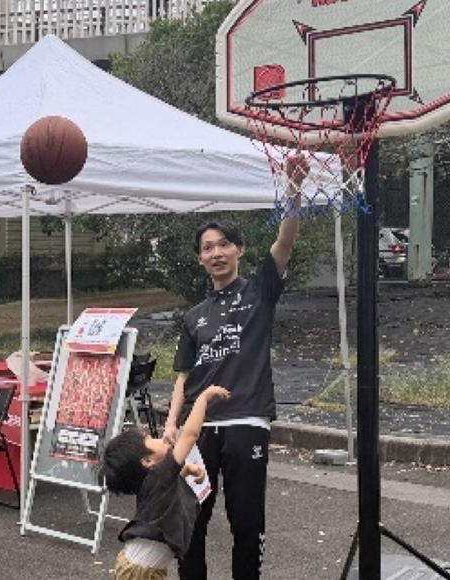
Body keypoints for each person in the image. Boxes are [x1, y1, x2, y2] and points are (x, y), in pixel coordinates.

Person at [163, 155, 309, 580]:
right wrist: (172, 424)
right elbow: (183, 376)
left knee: (246, 523)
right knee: (192, 519)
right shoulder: (193, 317)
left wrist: (293, 191)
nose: (216, 253)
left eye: (223, 244)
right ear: (200, 260)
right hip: (198, 429)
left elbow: (284, 242)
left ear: (239, 250)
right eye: (207, 248)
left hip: (247, 420)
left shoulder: (260, 292)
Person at [102, 385, 231, 579]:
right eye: (150, 439)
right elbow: (190, 434)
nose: (158, 438)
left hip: (143, 567)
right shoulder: (159, 476)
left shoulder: (156, 481)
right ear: (147, 461)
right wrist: (203, 398)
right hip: (140, 571)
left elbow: (169, 487)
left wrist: (186, 469)